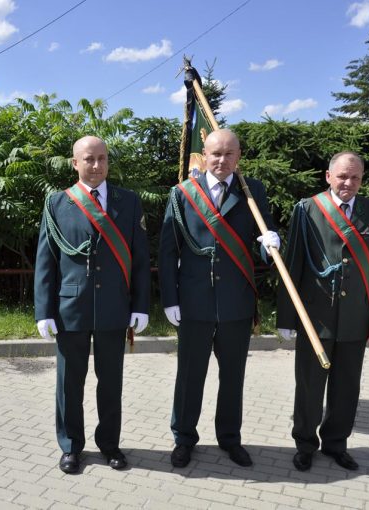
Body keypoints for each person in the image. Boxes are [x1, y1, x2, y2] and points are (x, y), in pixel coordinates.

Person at [158, 129, 281, 468]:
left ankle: (230, 438)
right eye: (216, 154)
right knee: (189, 376)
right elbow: (168, 251)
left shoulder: (251, 190)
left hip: (236, 301)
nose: (222, 160)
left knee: (233, 377)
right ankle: (184, 438)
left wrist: (270, 244)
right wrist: (170, 298)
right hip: (194, 302)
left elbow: (262, 236)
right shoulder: (182, 193)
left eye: (229, 154)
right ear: (205, 156)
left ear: (238, 156)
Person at [34, 135, 151, 474]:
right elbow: (47, 261)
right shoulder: (57, 203)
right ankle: (71, 446)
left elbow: (140, 259)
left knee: (111, 381)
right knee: (70, 382)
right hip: (71, 309)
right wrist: (44, 310)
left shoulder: (128, 203)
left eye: (102, 158)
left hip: (115, 308)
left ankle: (110, 444)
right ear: (75, 163)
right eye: (89, 159)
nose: (96, 165)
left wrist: (140, 305)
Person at [275, 151, 369, 472]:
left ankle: (335, 444)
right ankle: (304, 443)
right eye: (342, 176)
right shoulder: (307, 210)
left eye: (355, 177)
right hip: (316, 319)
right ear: (328, 177)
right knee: (309, 387)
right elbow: (293, 266)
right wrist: (286, 317)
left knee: (346, 388)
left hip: (356, 318)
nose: (348, 183)